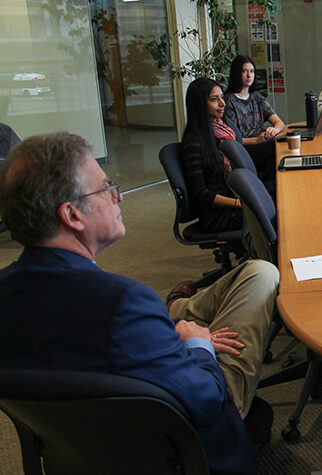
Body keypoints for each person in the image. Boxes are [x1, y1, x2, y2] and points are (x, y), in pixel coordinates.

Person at [0, 132, 280, 474]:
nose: (119, 197)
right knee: (262, 276)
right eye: (106, 188)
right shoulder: (123, 303)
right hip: (184, 452)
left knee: (253, 274)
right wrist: (198, 345)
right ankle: (179, 316)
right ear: (72, 215)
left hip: (76, 454)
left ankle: (176, 314)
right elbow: (206, 399)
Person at [182, 78, 246, 234]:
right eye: (214, 99)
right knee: (275, 216)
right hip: (216, 215)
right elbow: (200, 194)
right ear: (200, 105)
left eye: (221, 97)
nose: (222, 103)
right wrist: (239, 203)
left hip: (234, 199)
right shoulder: (194, 142)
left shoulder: (222, 131)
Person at [223, 54, 286, 144]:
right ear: (237, 73)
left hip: (262, 142)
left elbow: (279, 122)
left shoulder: (257, 98)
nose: (249, 75)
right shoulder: (229, 101)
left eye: (252, 71)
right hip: (245, 148)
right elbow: (233, 139)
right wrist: (257, 140)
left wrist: (274, 130)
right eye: (244, 71)